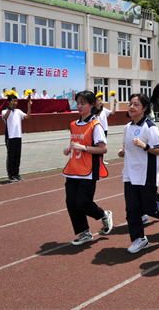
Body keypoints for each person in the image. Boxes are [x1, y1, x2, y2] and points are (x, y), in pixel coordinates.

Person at [118, 92, 159, 254]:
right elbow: (127, 148)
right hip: (129, 173)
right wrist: (123, 152)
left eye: (136, 104)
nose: (132, 107)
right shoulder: (128, 127)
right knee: (131, 208)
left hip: (146, 173)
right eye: (130, 104)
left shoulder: (150, 128)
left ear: (145, 108)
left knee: (149, 208)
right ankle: (140, 239)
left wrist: (144, 146)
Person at [62, 90, 113, 245]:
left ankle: (103, 214)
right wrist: (69, 149)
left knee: (82, 203)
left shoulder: (95, 125)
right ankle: (84, 233)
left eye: (83, 103)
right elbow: (75, 144)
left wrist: (83, 147)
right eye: (78, 103)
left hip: (88, 171)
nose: (79, 106)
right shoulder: (73, 124)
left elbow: (103, 149)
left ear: (92, 105)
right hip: (72, 170)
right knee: (71, 204)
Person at [2, 93, 32, 182]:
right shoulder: (5, 111)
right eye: (13, 101)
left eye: (16, 101)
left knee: (17, 156)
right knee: (11, 156)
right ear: (8, 102)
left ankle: (16, 173)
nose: (15, 103)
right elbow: (5, 117)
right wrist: (10, 108)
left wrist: (29, 107)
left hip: (18, 136)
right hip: (10, 137)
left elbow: (27, 116)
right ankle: (10, 175)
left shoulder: (18, 111)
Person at [95, 93, 117, 165]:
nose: (101, 102)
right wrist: (100, 106)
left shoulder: (104, 109)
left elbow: (112, 113)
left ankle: (102, 160)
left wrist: (114, 104)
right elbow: (97, 113)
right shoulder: (95, 110)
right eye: (99, 100)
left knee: (103, 145)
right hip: (97, 129)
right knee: (97, 146)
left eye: (101, 100)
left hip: (104, 129)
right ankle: (97, 159)